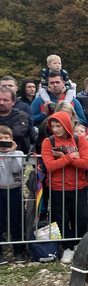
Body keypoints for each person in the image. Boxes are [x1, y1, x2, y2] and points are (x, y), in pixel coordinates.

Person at [41, 111, 88, 264]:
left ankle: (79, 245)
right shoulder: (48, 142)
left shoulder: (79, 140)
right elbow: (50, 166)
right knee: (61, 219)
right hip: (57, 187)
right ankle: (67, 247)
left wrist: (61, 158)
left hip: (78, 185)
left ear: (67, 125)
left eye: (59, 126)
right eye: (53, 126)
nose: (55, 129)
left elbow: (86, 163)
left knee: (81, 217)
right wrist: (70, 156)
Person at [0, 125, 26, 265]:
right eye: (0, 139)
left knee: (16, 221)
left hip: (15, 191)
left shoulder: (19, 153)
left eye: (6, 138)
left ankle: (19, 250)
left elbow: (16, 169)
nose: (3, 141)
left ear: (11, 139)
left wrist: (11, 152)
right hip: (0, 191)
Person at [0, 87, 31, 154]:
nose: (1, 103)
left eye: (6, 100)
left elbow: (17, 133)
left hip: (15, 154)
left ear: (13, 102)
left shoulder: (21, 116)